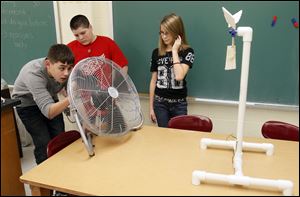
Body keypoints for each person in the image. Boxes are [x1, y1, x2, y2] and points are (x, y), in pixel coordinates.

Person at [12, 44, 74, 164]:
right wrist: (71, 99)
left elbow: (70, 91)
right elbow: (49, 112)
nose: (66, 73)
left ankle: (62, 171)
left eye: (70, 68)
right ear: (48, 65)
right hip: (27, 106)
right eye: (62, 68)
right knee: (43, 142)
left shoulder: (67, 70)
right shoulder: (33, 73)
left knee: (59, 137)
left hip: (49, 98)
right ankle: (42, 179)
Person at [149, 13, 195, 127]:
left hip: (179, 104)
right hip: (160, 104)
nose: (163, 36)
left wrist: (174, 50)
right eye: (161, 33)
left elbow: (179, 76)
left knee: (179, 137)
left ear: (176, 32)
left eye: (167, 33)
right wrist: (151, 108)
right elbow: (153, 81)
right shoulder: (156, 52)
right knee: (164, 138)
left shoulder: (187, 51)